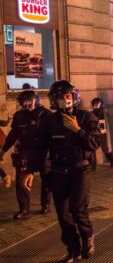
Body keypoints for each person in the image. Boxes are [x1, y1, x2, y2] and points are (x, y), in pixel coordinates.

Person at [25, 80, 100, 262]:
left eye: (64, 96)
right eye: (57, 97)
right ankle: (72, 249)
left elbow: (95, 143)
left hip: (80, 169)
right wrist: (30, 170)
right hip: (58, 171)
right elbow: (40, 147)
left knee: (77, 208)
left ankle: (87, 237)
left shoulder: (86, 118)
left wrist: (77, 130)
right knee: (63, 214)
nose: (60, 101)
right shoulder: (50, 121)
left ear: (72, 97)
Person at [0, 90, 51, 219]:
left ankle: (46, 204)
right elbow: (13, 134)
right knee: (21, 180)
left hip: (42, 151)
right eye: (24, 103)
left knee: (46, 178)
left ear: (36, 101)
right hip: (24, 152)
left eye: (29, 103)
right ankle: (24, 209)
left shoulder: (45, 114)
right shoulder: (19, 115)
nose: (26, 106)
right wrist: (4, 149)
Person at [90, 98, 113, 169]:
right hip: (94, 133)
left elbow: (103, 124)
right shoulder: (92, 113)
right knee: (92, 149)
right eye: (94, 104)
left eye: (97, 103)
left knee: (106, 149)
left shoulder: (103, 112)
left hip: (102, 133)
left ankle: (112, 161)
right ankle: (93, 165)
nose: (95, 105)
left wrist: (99, 130)